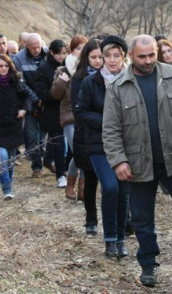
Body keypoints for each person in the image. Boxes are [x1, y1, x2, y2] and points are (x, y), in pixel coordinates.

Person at [103, 34, 172, 287]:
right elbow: (110, 129)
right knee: (142, 217)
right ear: (131, 55)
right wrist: (118, 161)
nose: (149, 60)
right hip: (138, 163)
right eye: (143, 56)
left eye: (152, 54)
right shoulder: (118, 86)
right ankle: (148, 265)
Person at [76, 35, 130, 258]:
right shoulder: (92, 82)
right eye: (108, 56)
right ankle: (109, 239)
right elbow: (81, 112)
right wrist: (107, 121)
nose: (111, 60)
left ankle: (120, 238)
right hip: (98, 144)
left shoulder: (131, 79)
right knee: (110, 187)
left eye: (117, 56)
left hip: (127, 144)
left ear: (124, 57)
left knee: (124, 192)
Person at [0, 54, 37, 199]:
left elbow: (27, 97)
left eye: (6, 66)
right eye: (0, 66)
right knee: (2, 158)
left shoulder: (16, 82)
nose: (3, 69)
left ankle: (8, 181)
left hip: (13, 126)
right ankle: (7, 189)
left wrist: (24, 110)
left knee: (10, 160)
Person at [71, 39, 103, 234]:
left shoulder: (113, 76)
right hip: (86, 135)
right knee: (90, 180)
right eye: (94, 57)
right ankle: (91, 219)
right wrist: (105, 120)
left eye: (101, 57)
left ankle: (123, 219)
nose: (98, 61)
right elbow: (78, 110)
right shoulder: (79, 78)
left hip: (111, 137)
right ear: (86, 58)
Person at [51, 35, 88, 200]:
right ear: (72, 51)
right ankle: (71, 185)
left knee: (86, 152)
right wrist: (62, 81)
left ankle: (82, 189)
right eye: (78, 48)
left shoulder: (90, 69)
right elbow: (55, 94)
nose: (81, 52)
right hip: (70, 118)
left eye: (84, 48)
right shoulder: (63, 70)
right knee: (79, 152)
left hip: (87, 117)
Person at [13, 32, 49, 177]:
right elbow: (22, 85)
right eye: (33, 47)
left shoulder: (48, 55)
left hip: (47, 100)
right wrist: (35, 100)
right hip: (28, 101)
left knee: (47, 135)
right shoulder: (18, 59)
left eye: (38, 47)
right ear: (26, 46)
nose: (36, 50)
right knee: (32, 135)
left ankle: (50, 160)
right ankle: (36, 166)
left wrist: (45, 98)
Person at [35, 40, 68, 188]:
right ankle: (61, 174)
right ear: (52, 53)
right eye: (59, 53)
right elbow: (43, 94)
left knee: (67, 143)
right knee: (59, 143)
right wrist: (58, 88)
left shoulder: (71, 66)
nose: (62, 56)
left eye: (65, 53)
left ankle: (49, 160)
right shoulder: (43, 69)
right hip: (52, 112)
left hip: (68, 110)